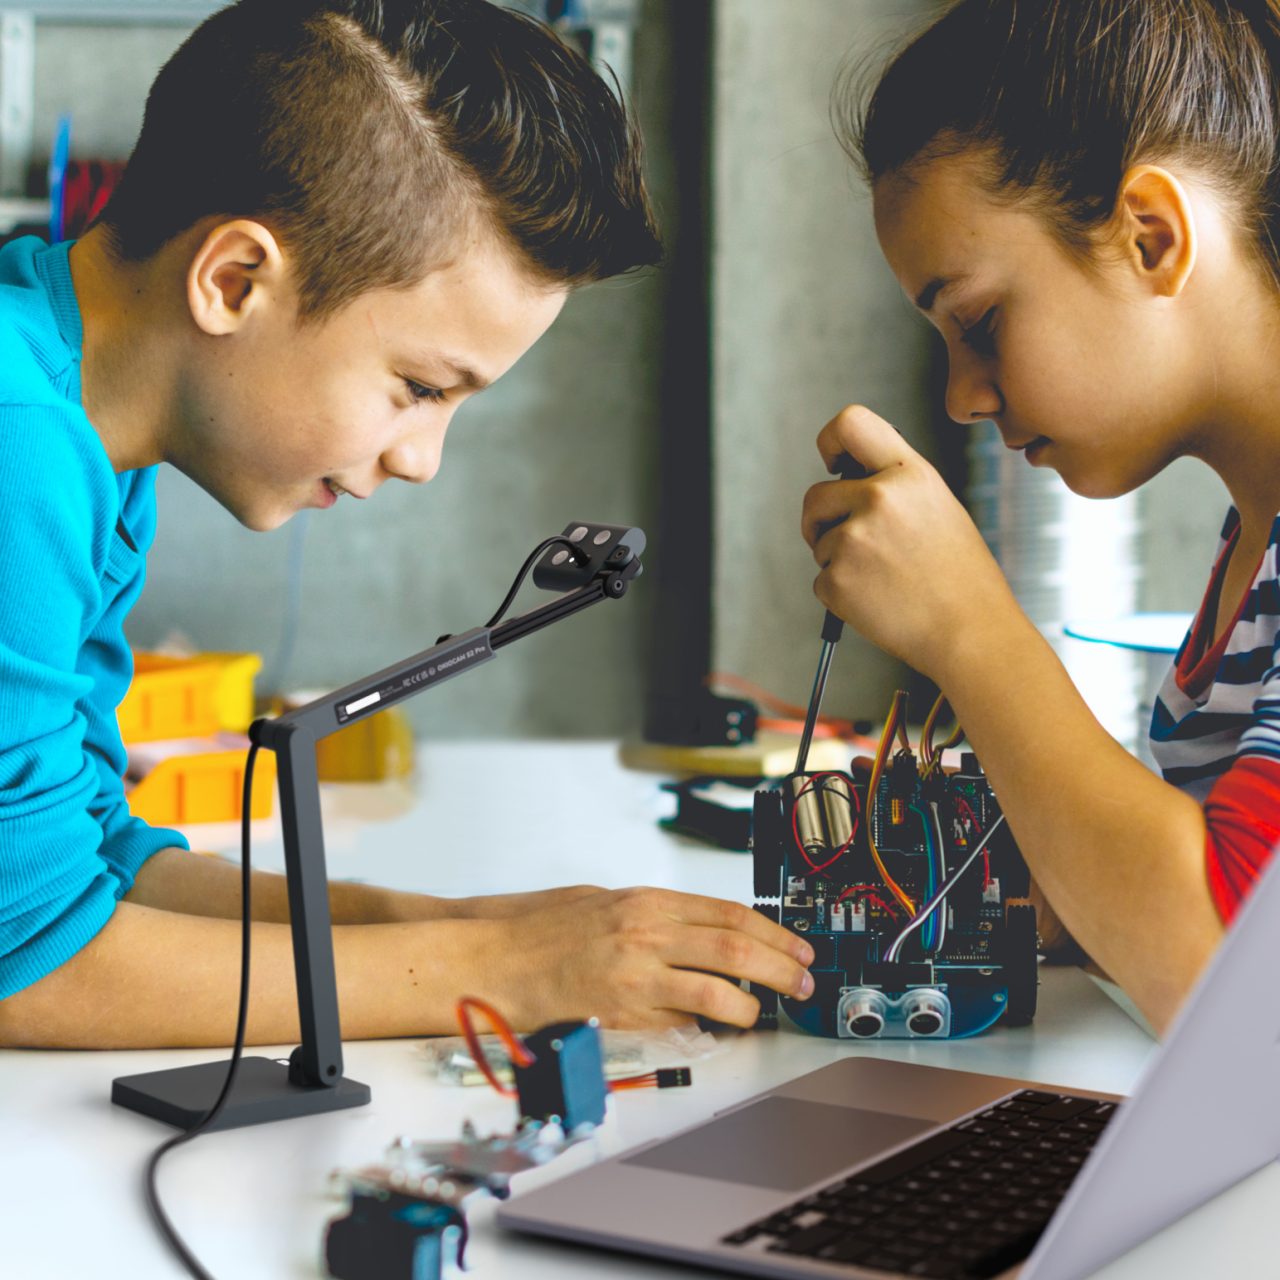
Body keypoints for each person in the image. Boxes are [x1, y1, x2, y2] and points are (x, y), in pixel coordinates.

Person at [0, 0, 815, 1049]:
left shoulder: (82, 418)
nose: (421, 458)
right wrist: (509, 973)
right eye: (421, 387)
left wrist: (456, 928)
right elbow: (31, 962)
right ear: (233, 280)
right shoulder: (18, 444)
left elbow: (94, 860)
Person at [800, 0, 1280, 1037]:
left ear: (1150, 237)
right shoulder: (1253, 541)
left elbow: (1233, 977)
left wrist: (969, 627)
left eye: (977, 321)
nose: (962, 399)